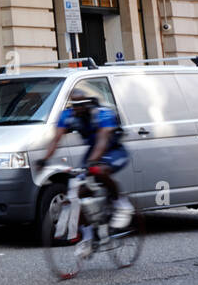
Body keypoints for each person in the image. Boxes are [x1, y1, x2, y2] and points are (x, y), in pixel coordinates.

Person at [37, 87, 132, 249]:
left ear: (88, 103)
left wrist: (92, 162)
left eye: (81, 104)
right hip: (92, 151)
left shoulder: (101, 114)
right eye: (74, 105)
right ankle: (88, 236)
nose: (78, 108)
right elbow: (56, 139)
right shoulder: (68, 116)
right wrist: (45, 159)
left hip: (113, 149)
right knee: (78, 193)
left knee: (100, 171)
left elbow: (103, 139)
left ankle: (120, 203)